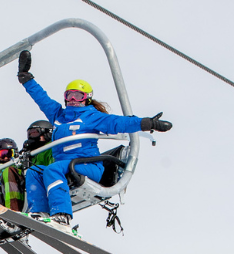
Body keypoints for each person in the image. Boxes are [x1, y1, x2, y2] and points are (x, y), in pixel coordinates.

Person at [17, 50, 172, 227]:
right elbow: (41, 98)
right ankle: (39, 212)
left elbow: (118, 123)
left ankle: (61, 215)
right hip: (65, 166)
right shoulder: (58, 115)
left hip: (87, 165)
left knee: (52, 169)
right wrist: (25, 78)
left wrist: (147, 123)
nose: (73, 100)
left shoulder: (92, 116)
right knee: (35, 171)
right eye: (70, 95)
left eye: (78, 96)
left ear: (87, 99)